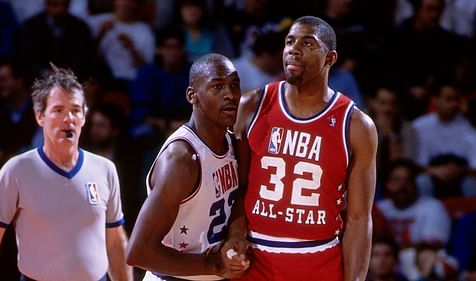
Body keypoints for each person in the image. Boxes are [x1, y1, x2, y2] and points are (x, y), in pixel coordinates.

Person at [227, 15, 378, 281]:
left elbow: (358, 218)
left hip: (318, 260)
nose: (294, 49)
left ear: (330, 58)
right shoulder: (252, 105)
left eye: (308, 43)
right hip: (254, 260)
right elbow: (236, 189)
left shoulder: (356, 125)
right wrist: (236, 236)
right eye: (290, 41)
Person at [0, 65, 132, 281]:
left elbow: (115, 240)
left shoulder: (105, 169)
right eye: (58, 110)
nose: (68, 118)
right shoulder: (17, 170)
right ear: (40, 117)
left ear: (84, 118)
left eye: (75, 110)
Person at [126, 53, 250, 280]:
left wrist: (235, 235)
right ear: (193, 95)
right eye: (218, 87)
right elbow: (138, 252)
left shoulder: (233, 142)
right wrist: (213, 265)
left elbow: (238, 194)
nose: (230, 95)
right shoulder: (181, 159)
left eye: (234, 85)